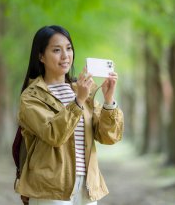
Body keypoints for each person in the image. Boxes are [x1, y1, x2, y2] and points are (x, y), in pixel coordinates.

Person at [15, 25, 124, 205]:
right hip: (50, 185)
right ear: (41, 56)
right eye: (56, 50)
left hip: (87, 184)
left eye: (68, 48)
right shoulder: (32, 96)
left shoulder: (81, 90)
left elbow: (108, 136)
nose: (65, 56)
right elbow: (53, 134)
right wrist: (78, 102)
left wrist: (108, 100)